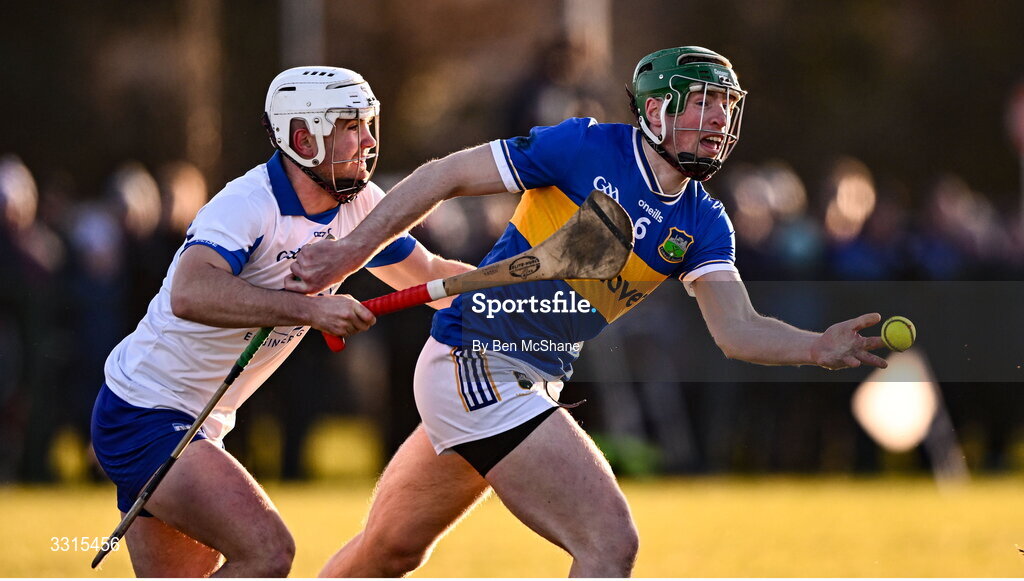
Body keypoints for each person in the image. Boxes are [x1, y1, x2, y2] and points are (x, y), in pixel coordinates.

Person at [288, 46, 888, 577]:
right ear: (656, 112)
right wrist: (350, 250)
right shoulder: (583, 145)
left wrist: (815, 346)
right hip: (479, 360)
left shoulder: (704, 222)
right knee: (609, 541)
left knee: (387, 553)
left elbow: (737, 330)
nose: (718, 120)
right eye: (702, 103)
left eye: (725, 106)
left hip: (527, 379)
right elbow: (445, 175)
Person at [90, 66, 472, 577]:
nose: (366, 141)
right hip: (144, 411)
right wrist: (314, 310)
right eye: (349, 126)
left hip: (203, 422)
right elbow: (190, 291)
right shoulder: (247, 204)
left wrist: (521, 295)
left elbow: (428, 275)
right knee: (269, 551)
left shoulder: (359, 202)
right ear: (302, 137)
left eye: (368, 124)